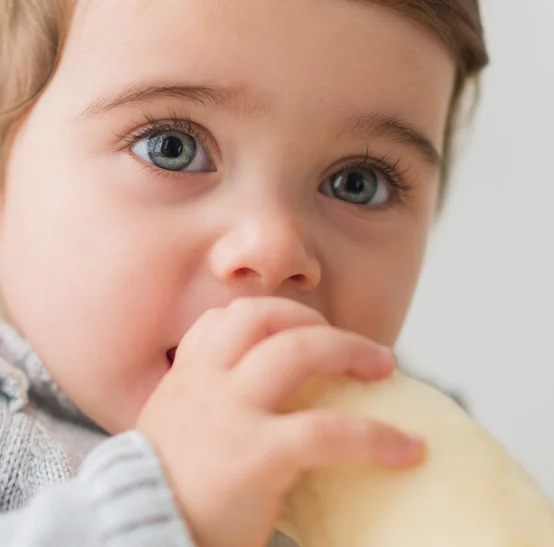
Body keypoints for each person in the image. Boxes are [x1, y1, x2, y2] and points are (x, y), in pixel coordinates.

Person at [0, 1, 488, 546]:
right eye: (173, 148)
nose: (276, 249)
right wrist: (169, 506)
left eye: (358, 182)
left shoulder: (413, 448)